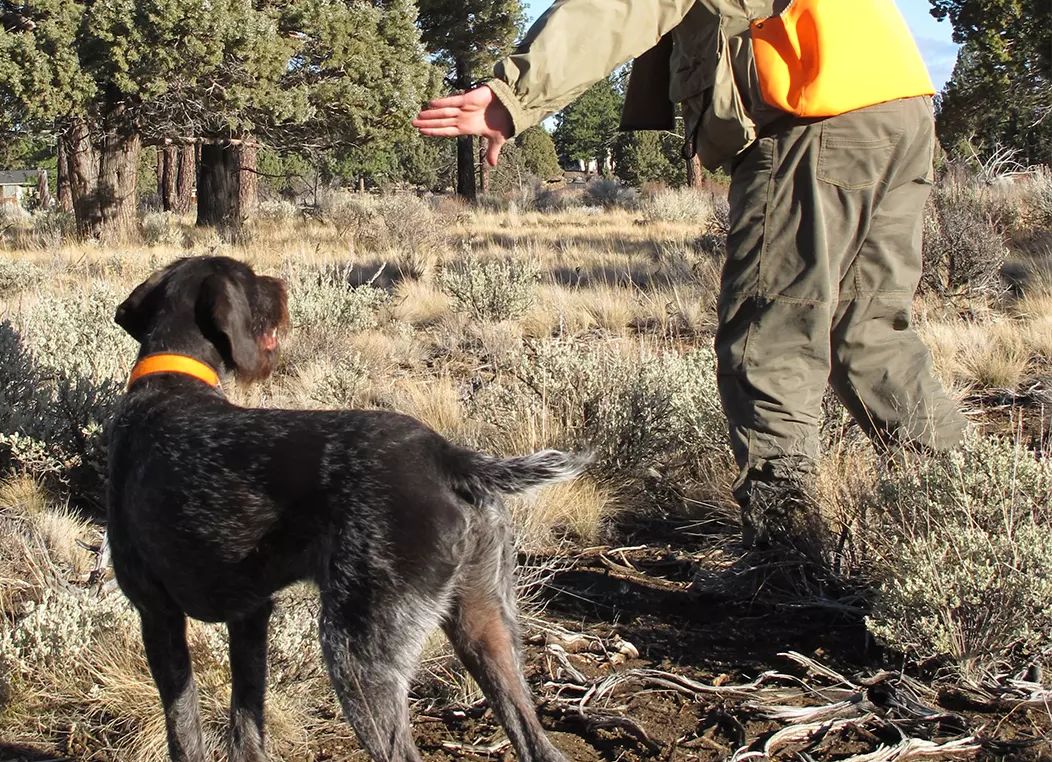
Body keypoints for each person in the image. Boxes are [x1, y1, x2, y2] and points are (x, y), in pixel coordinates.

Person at [413, 0, 967, 549]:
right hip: (898, 103)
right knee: (869, 331)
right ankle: (966, 512)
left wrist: (515, 95)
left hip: (812, 110)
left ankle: (785, 551)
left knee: (771, 339)